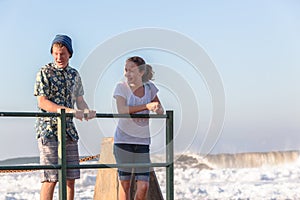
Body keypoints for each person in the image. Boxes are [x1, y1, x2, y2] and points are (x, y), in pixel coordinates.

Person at [33, 34, 96, 200]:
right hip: (48, 130)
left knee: (70, 179)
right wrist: (68, 111)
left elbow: (80, 101)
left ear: (70, 54)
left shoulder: (74, 75)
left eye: (62, 53)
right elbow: (42, 102)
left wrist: (87, 111)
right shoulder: (44, 72)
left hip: (69, 131)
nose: (59, 57)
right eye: (56, 53)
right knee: (50, 179)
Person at [113, 56, 164, 200]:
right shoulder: (121, 87)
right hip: (123, 142)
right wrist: (146, 106)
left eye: (131, 70)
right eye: (126, 70)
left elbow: (161, 109)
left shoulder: (150, 88)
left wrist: (158, 109)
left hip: (142, 143)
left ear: (141, 72)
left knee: (143, 186)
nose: (127, 74)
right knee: (125, 185)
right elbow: (122, 110)